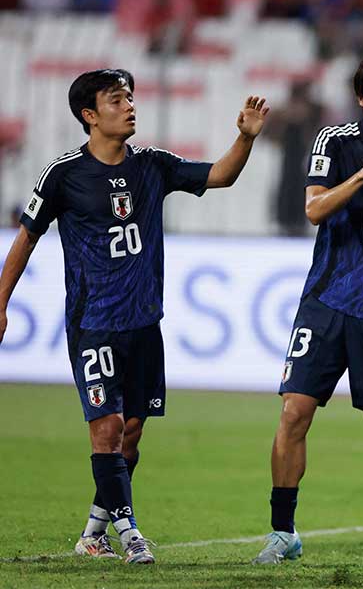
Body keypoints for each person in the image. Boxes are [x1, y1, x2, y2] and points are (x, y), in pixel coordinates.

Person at [0, 69, 268, 564]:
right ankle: (130, 535)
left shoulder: (154, 165)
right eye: (115, 99)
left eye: (129, 97)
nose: (128, 106)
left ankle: (93, 534)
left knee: (131, 435)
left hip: (144, 324)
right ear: (89, 115)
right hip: (94, 323)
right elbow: (26, 238)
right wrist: (0, 302)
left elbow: (221, 175)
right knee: (107, 427)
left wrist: (244, 138)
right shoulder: (63, 174)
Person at [253, 52, 363, 569]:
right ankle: (282, 532)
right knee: (293, 413)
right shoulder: (335, 141)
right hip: (326, 303)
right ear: (362, 97)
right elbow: (313, 208)